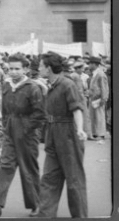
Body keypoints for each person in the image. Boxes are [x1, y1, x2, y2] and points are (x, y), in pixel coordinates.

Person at [0, 54, 46, 217]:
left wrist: (26, 129)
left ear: (26, 69)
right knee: (6, 166)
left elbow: (40, 114)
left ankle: (37, 204)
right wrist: (7, 125)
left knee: (28, 170)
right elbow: (5, 109)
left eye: (17, 69)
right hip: (10, 131)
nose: (13, 72)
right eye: (10, 69)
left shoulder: (32, 87)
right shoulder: (6, 85)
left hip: (27, 134)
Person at [36, 52, 88, 218]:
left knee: (74, 179)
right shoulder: (50, 85)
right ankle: (46, 214)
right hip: (52, 132)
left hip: (68, 133)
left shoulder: (67, 84)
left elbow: (77, 108)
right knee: (49, 177)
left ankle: (79, 216)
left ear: (49, 68)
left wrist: (80, 129)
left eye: (41, 66)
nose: (38, 68)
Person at [87, 56, 108, 141]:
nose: (88, 65)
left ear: (94, 64)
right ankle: (95, 133)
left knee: (99, 116)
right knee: (93, 116)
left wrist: (103, 98)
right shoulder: (95, 73)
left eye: (90, 63)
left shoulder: (100, 74)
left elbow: (104, 87)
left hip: (99, 98)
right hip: (93, 97)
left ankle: (101, 133)